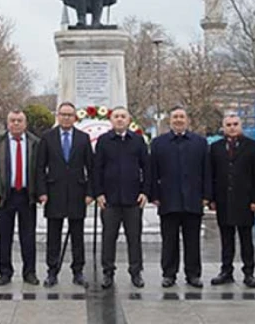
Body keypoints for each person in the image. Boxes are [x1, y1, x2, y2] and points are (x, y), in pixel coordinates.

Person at [150, 106, 211, 288]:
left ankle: (193, 274)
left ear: (187, 120)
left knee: (192, 240)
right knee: (169, 240)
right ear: (170, 120)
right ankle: (169, 274)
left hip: (193, 198)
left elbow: (206, 171)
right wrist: (155, 194)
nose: (178, 120)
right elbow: (153, 172)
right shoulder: (159, 143)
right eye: (175, 117)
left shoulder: (199, 142)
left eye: (181, 117)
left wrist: (207, 195)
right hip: (168, 199)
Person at [37, 102, 94, 288]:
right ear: (58, 116)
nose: (66, 118)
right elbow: (39, 167)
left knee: (77, 235)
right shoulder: (47, 137)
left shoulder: (83, 138)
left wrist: (90, 193)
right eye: (63, 114)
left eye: (70, 115)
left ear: (75, 117)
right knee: (53, 235)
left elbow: (91, 168)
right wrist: (42, 192)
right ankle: (52, 271)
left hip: (78, 193)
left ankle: (78, 271)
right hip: (54, 193)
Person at [0, 110, 41, 286]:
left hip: (26, 196)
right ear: (7, 123)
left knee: (28, 237)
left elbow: (40, 170)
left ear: (25, 123)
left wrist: (40, 192)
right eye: (13, 120)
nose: (16, 124)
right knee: (4, 236)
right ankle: (5, 272)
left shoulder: (35, 143)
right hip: (5, 196)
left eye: (20, 120)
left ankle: (29, 272)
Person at [94, 106, 150, 289]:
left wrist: (145, 192)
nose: (119, 119)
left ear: (128, 120)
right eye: (116, 116)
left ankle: (136, 272)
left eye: (123, 116)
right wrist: (99, 193)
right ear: (111, 120)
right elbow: (97, 169)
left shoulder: (138, 140)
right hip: (109, 200)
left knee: (134, 238)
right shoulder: (103, 141)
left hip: (133, 199)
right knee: (108, 237)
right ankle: (108, 272)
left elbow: (146, 168)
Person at [209, 113, 255, 289]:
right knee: (226, 239)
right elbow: (211, 174)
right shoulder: (216, 147)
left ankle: (249, 273)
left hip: (245, 200)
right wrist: (211, 199)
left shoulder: (253, 146)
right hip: (224, 200)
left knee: (246, 238)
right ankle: (226, 271)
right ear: (223, 127)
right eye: (228, 125)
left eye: (235, 124)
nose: (232, 127)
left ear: (240, 126)